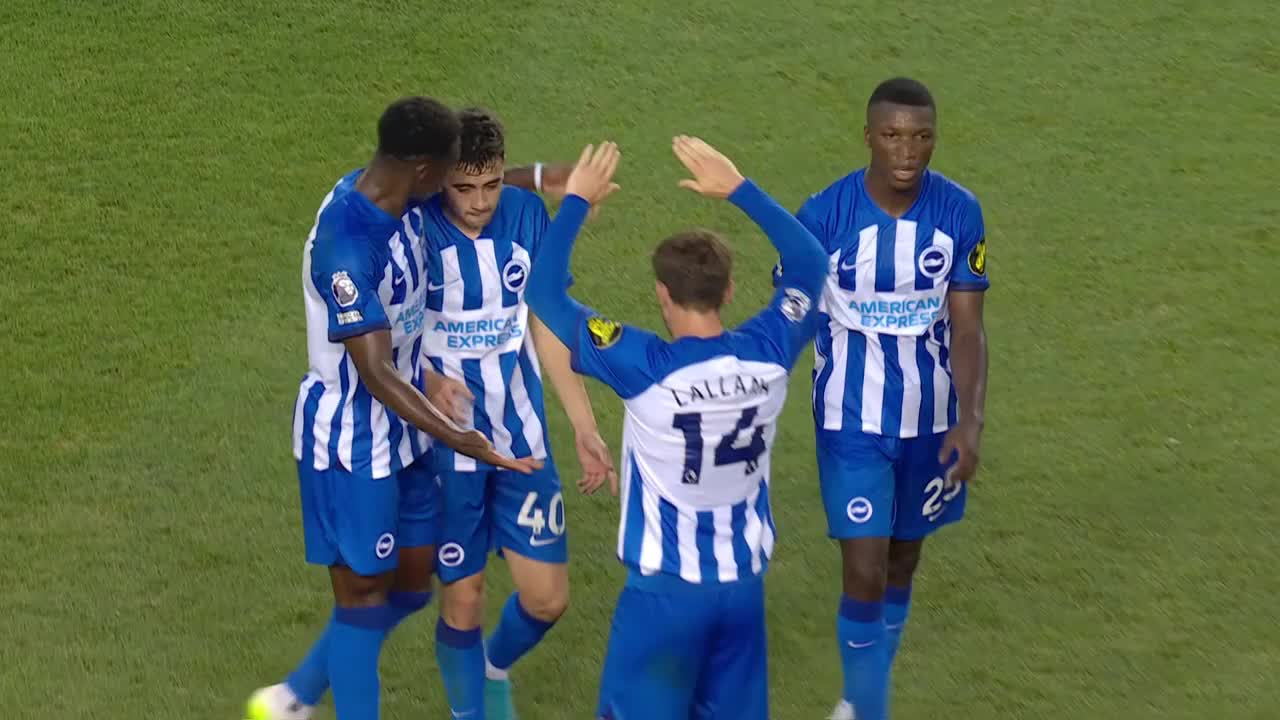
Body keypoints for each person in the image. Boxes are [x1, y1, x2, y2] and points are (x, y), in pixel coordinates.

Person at [245, 96, 547, 720]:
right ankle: (307, 703)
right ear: (424, 171)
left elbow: (479, 184)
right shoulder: (345, 246)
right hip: (353, 438)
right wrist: (460, 438)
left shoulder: (402, 190)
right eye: (450, 173)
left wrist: (549, 177)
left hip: (407, 429)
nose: (463, 190)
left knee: (412, 583)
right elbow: (377, 373)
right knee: (361, 598)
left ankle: (296, 693)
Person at [525, 137, 828, 720]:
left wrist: (577, 201)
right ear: (729, 291)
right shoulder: (771, 351)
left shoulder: (644, 367)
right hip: (742, 590)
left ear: (662, 294)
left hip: (665, 596)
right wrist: (739, 188)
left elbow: (543, 294)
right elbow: (811, 262)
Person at [780, 77, 990, 720]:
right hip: (850, 419)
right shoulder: (824, 216)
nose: (908, 150)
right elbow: (789, 317)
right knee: (865, 569)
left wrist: (970, 420)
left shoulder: (959, 212)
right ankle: (868, 708)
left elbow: (968, 327)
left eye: (922, 137)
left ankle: (858, 698)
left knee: (903, 561)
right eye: (893, 135)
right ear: (868, 136)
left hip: (930, 419)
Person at [418, 107, 618, 720]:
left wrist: (584, 425)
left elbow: (545, 323)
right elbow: (388, 336)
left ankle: (492, 665)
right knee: (465, 596)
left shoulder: (527, 216)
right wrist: (429, 381)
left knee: (547, 599)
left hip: (522, 439)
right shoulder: (415, 228)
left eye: (491, 184)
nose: (479, 202)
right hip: (447, 445)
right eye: (463, 187)